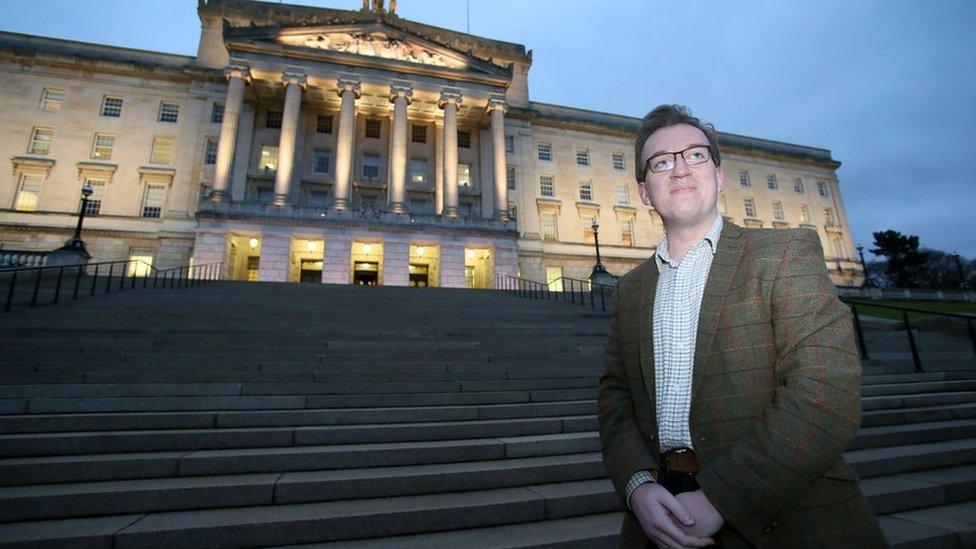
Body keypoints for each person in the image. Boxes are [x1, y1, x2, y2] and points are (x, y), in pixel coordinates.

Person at [597, 105, 885, 548]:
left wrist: (720, 497)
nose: (679, 169)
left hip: (789, 520)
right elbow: (615, 398)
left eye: (695, 155)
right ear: (644, 192)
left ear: (719, 175)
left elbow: (827, 393)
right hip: (658, 517)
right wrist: (637, 484)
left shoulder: (785, 254)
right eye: (661, 161)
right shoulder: (630, 290)